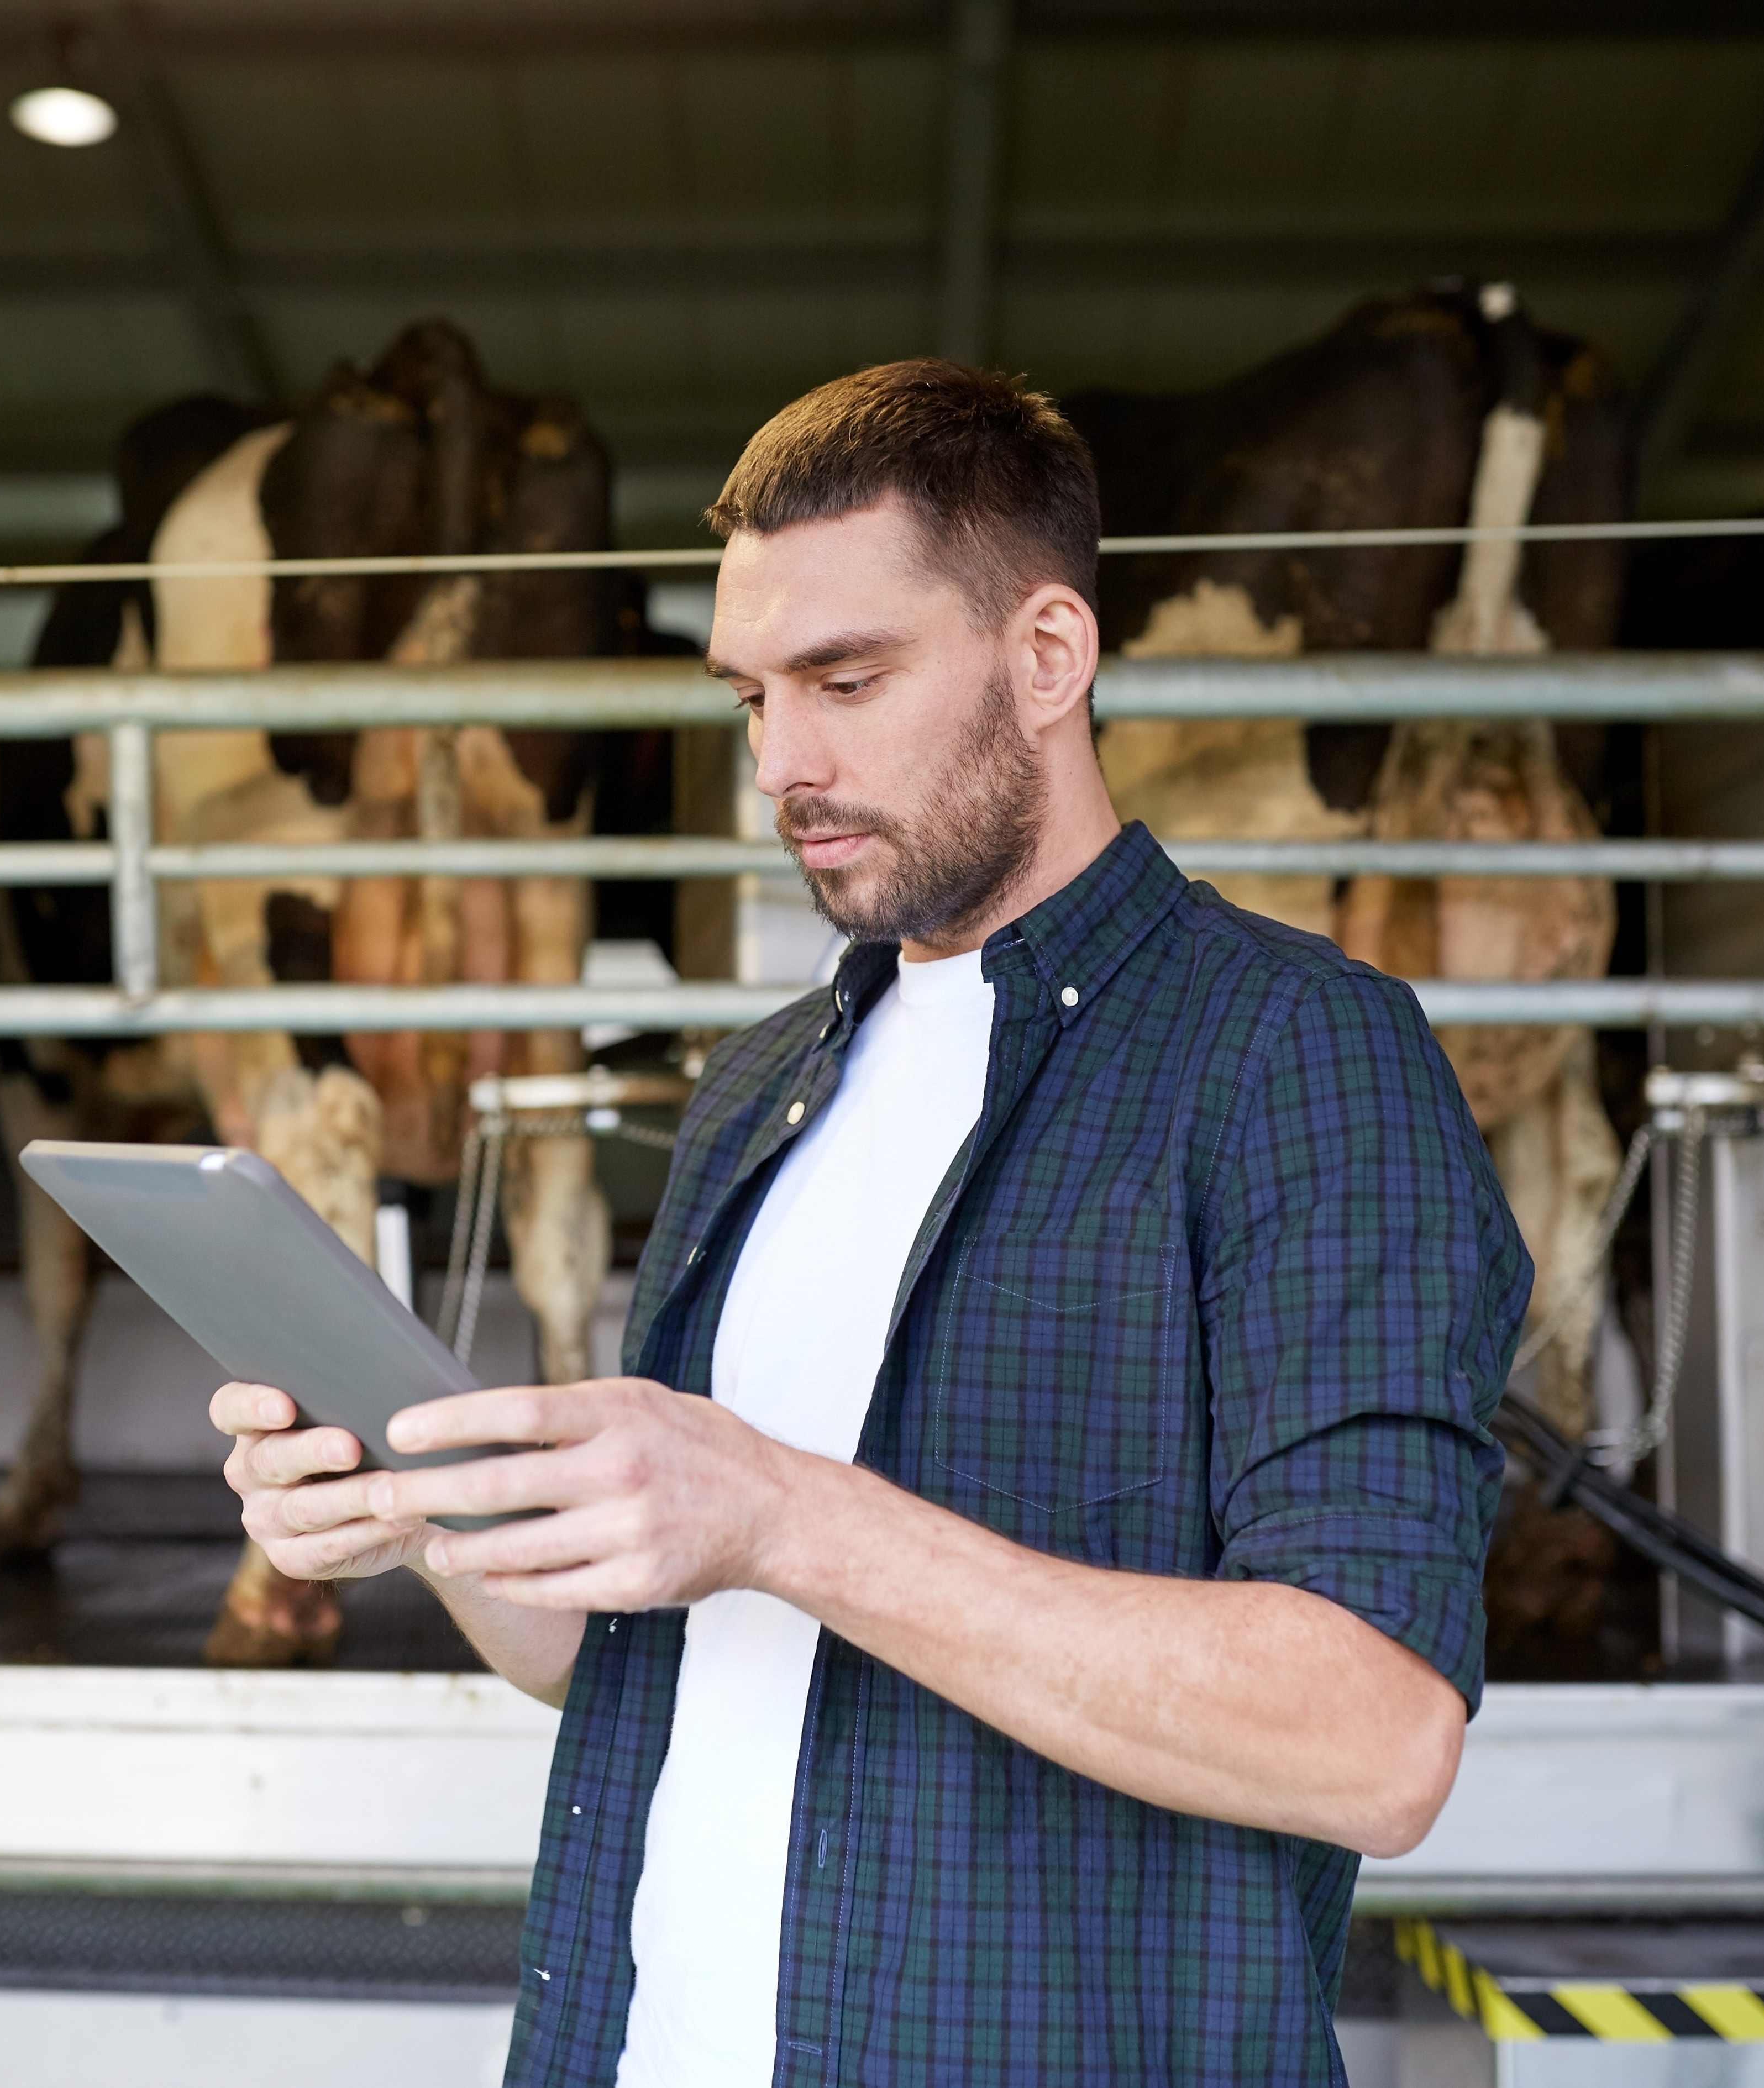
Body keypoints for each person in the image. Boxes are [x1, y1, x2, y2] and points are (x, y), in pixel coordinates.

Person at [214, 360, 1528, 2086]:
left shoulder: (1294, 1056)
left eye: (847, 678)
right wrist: (427, 1511)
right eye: (751, 694)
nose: (784, 761)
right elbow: (646, 1668)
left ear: (1048, 658)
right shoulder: (761, 1089)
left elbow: (1374, 1733)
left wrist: (779, 1512)